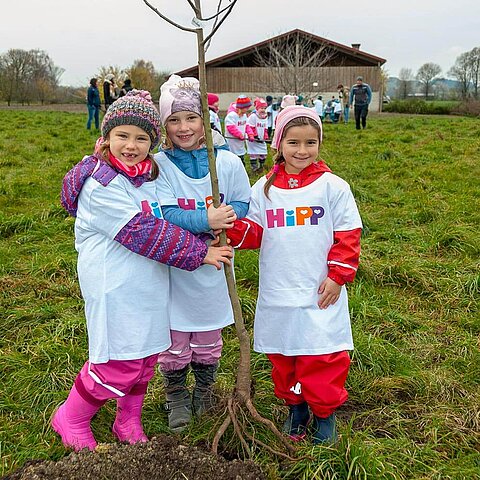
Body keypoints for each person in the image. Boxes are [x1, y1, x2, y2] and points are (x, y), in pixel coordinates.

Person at [52, 90, 233, 452]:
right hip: (116, 289)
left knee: (145, 359)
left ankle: (127, 420)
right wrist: (199, 252)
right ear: (106, 138)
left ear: (152, 143)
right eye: (122, 136)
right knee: (117, 361)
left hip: (149, 286)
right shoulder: (100, 184)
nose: (131, 145)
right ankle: (71, 418)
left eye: (141, 138)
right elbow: (142, 231)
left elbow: (168, 214)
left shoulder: (146, 177)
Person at [226, 105, 362, 445]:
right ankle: (296, 409)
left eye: (311, 143)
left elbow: (348, 232)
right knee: (284, 356)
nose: (302, 151)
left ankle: (324, 414)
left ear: (319, 143)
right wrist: (226, 227)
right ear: (278, 143)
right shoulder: (264, 189)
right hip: (279, 290)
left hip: (320, 290)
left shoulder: (333, 186)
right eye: (293, 142)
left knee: (323, 355)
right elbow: (254, 232)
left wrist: (337, 275)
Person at [155, 75, 251, 433]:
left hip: (216, 267)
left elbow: (241, 201)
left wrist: (225, 219)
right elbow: (165, 212)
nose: (183, 127)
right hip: (176, 269)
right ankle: (176, 394)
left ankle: (205, 391)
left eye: (191, 118)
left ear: (205, 120)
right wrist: (204, 218)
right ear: (164, 125)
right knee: (176, 338)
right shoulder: (160, 166)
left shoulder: (226, 163)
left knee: (209, 337)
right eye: (174, 120)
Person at [224, 95, 251, 165]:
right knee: (233, 157)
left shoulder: (244, 115)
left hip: (240, 142)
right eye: (246, 107)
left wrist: (250, 134)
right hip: (232, 142)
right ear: (241, 107)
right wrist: (239, 134)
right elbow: (230, 127)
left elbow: (247, 126)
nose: (248, 109)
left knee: (241, 156)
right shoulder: (231, 116)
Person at [246, 97, 269, 173]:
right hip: (254, 139)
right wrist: (255, 136)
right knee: (254, 154)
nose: (263, 110)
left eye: (264, 108)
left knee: (263, 152)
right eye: (261, 108)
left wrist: (265, 136)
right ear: (257, 108)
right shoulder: (253, 116)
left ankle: (261, 166)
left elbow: (265, 128)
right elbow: (250, 126)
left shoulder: (265, 117)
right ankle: (254, 168)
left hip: (261, 139)